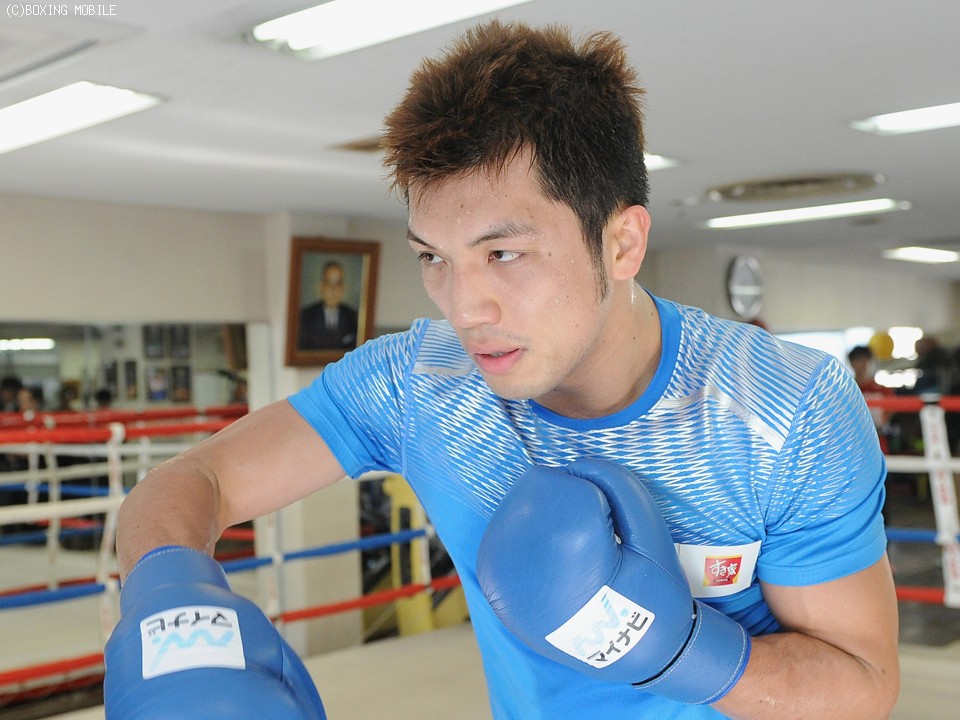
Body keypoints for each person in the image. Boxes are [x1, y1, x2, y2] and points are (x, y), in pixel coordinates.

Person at [107, 21, 899, 720]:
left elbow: (863, 685)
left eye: (504, 254)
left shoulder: (784, 407)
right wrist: (172, 612)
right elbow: (192, 482)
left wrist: (678, 651)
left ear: (622, 243)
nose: (464, 306)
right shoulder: (418, 385)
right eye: (433, 258)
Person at [298, 260, 360, 350]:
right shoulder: (306, 316)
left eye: (338, 284)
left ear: (343, 288)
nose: (333, 289)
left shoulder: (352, 316)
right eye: (329, 283)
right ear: (321, 287)